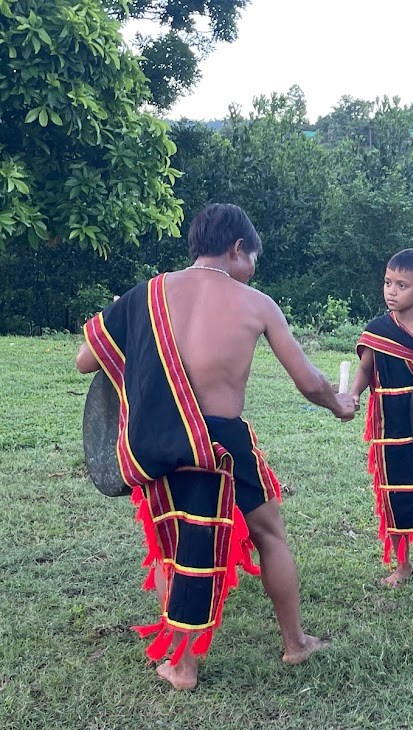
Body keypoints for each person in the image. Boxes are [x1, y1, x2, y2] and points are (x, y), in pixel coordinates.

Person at [75, 203, 358, 690]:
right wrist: (340, 403)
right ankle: (295, 644)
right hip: (223, 442)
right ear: (236, 249)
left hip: (161, 438)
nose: (252, 271)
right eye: (253, 259)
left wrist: (128, 316)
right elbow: (308, 381)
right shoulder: (257, 303)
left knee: (170, 547)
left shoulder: (147, 295)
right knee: (269, 534)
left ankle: (181, 666)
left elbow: (86, 361)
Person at [348, 248, 413, 593]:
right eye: (388, 282)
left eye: (402, 285)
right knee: (393, 495)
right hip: (387, 426)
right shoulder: (376, 330)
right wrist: (353, 394)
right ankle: (403, 564)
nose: (391, 291)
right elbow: (365, 369)